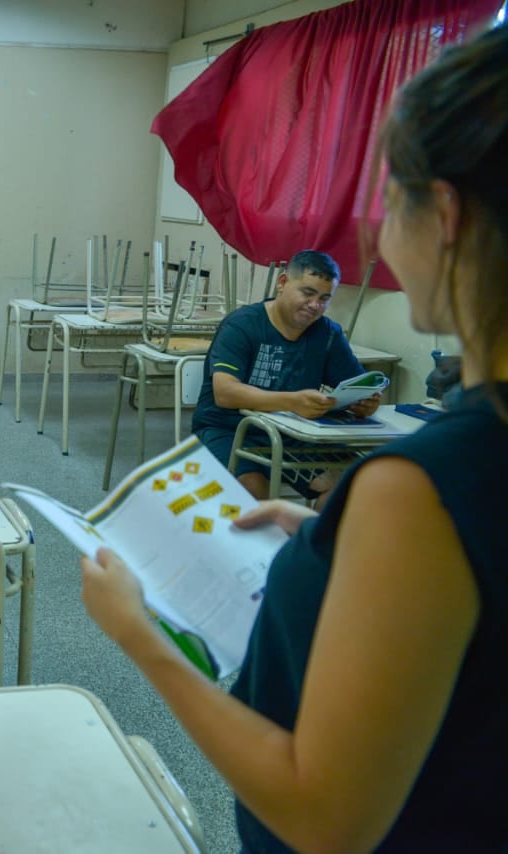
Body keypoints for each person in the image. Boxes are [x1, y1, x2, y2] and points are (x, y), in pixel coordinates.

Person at [81, 25, 508, 852]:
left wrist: (143, 638)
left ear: (445, 215)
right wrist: (351, 546)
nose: (380, 237)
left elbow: (327, 817)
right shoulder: (436, 489)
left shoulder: (427, 486)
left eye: (392, 204)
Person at [191, 249, 381, 504]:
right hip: (230, 429)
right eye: (308, 293)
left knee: (353, 483)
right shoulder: (242, 325)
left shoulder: (328, 334)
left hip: (294, 434)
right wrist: (292, 402)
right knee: (251, 489)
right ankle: (271, 543)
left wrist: (365, 403)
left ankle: (311, 542)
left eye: (325, 298)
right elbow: (225, 393)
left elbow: (357, 385)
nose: (315, 305)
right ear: (283, 283)